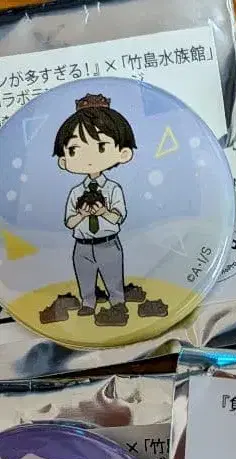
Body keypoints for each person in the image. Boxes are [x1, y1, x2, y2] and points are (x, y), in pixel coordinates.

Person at [51, 92, 137, 327]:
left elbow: (118, 217)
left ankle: (117, 304)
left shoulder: (113, 189)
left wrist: (102, 213)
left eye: (101, 146)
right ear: (64, 160)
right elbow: (69, 222)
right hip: (81, 245)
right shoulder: (75, 193)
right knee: (85, 276)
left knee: (113, 276)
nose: (89, 157)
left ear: (123, 153)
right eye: (75, 149)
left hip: (108, 242)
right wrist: (81, 215)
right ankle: (88, 303)